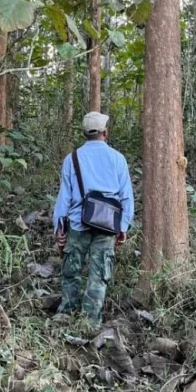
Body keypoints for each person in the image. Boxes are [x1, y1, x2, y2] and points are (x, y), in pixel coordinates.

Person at [52, 112, 134, 324]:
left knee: (71, 272)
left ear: (84, 133)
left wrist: (59, 228)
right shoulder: (118, 159)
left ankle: (65, 314)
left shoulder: (72, 159)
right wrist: (123, 226)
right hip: (107, 225)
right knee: (99, 276)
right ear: (105, 132)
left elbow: (64, 197)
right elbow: (126, 197)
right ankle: (90, 322)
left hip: (79, 224)